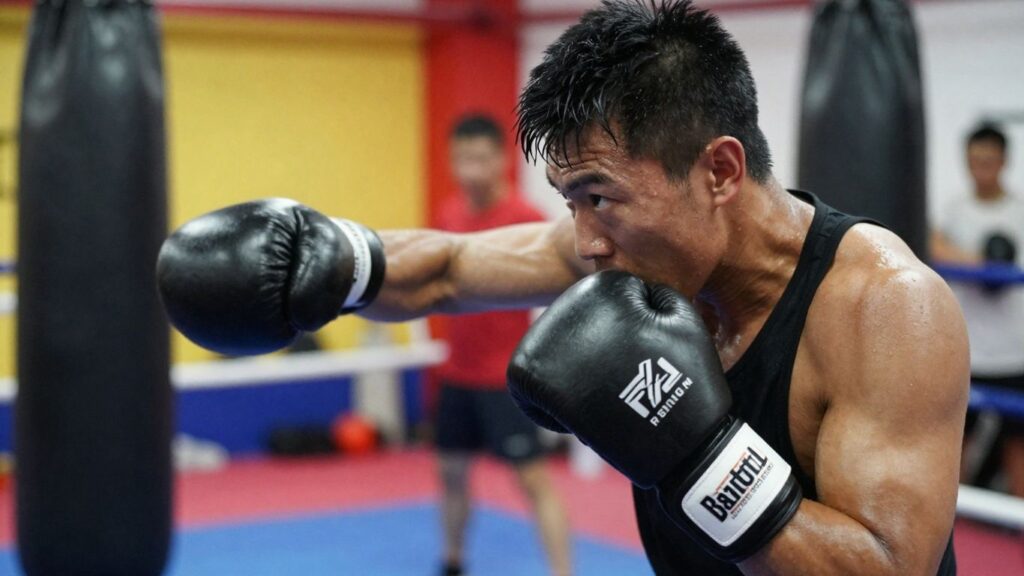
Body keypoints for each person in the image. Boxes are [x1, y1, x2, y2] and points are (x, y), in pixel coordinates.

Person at [156, 1, 968, 574]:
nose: (583, 239)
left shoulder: (884, 306)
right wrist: (330, 259)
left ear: (719, 170)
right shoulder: (631, 248)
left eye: (600, 196)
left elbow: (888, 570)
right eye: (570, 200)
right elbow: (446, 269)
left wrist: (698, 455)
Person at [431, 114, 572, 576]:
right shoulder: (449, 213)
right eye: (460, 158)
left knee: (532, 481)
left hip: (504, 378)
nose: (468, 168)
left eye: (478, 158)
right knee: (450, 474)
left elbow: (567, 287)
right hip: (457, 374)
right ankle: (452, 560)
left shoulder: (527, 219)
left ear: (500, 161)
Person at [931, 124, 1024, 496]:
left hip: (1014, 354)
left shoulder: (1019, 213)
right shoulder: (956, 212)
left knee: (1017, 451)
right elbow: (932, 246)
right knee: (954, 448)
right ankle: (948, 532)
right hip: (967, 352)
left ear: (1003, 161)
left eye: (989, 160)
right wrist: (983, 263)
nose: (981, 168)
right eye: (975, 160)